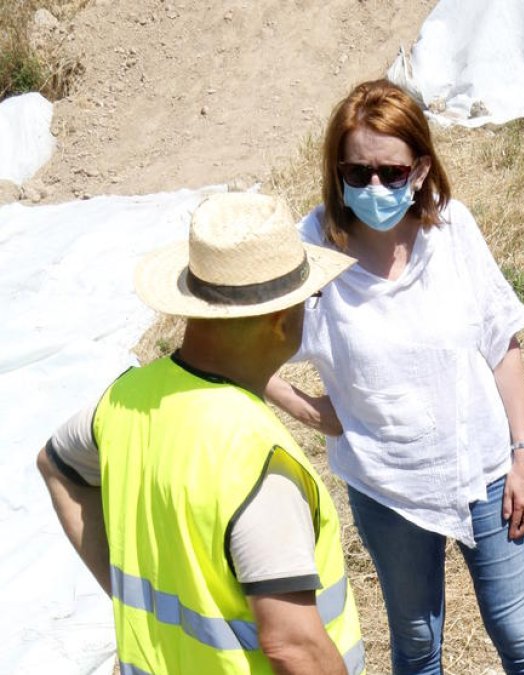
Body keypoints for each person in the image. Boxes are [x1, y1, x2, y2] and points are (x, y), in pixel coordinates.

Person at [266, 79, 524, 675]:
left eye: (391, 173)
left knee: (520, 637)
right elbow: (247, 351)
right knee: (419, 644)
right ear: (336, 170)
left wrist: (523, 454)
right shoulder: (312, 248)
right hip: (386, 484)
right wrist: (315, 413)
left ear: (420, 168)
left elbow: (501, 340)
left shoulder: (452, 231)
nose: (374, 187)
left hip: (483, 470)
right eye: (357, 172)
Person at [36, 192, 365, 675]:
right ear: (280, 320)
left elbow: (55, 467)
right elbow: (292, 647)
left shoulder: (125, 400)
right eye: (307, 300)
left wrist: (133, 602)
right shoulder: (256, 460)